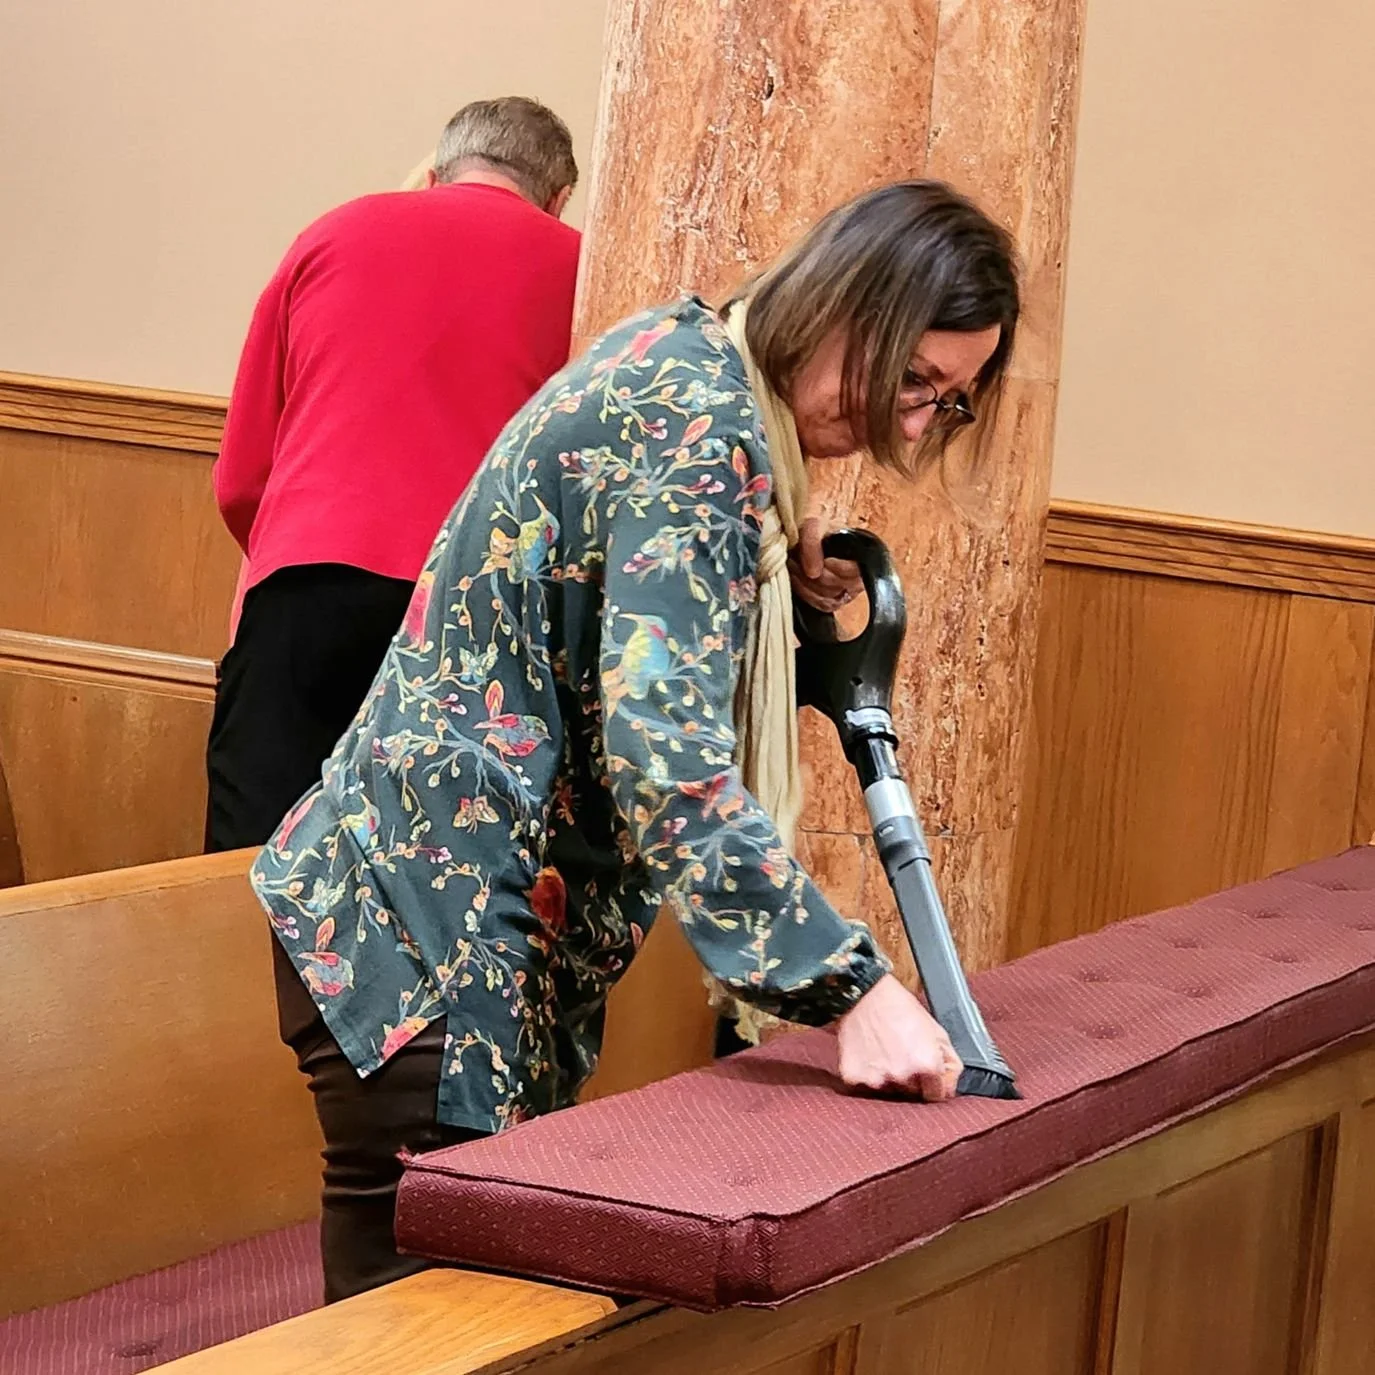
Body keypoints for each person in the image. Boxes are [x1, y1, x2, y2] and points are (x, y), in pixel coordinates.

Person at [249, 179, 1021, 1302]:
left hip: (445, 924)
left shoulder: (699, 369)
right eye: (910, 377)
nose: (909, 425)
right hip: (426, 941)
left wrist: (771, 537)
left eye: (942, 404)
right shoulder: (698, 433)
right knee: (424, 1332)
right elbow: (668, 760)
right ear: (847, 304)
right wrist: (849, 989)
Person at [204, 97, 583, 854]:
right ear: (558, 195)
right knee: (433, 873)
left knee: (249, 864)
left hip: (306, 586)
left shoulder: (332, 233)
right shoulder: (581, 268)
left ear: (439, 169)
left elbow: (242, 478)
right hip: (470, 611)